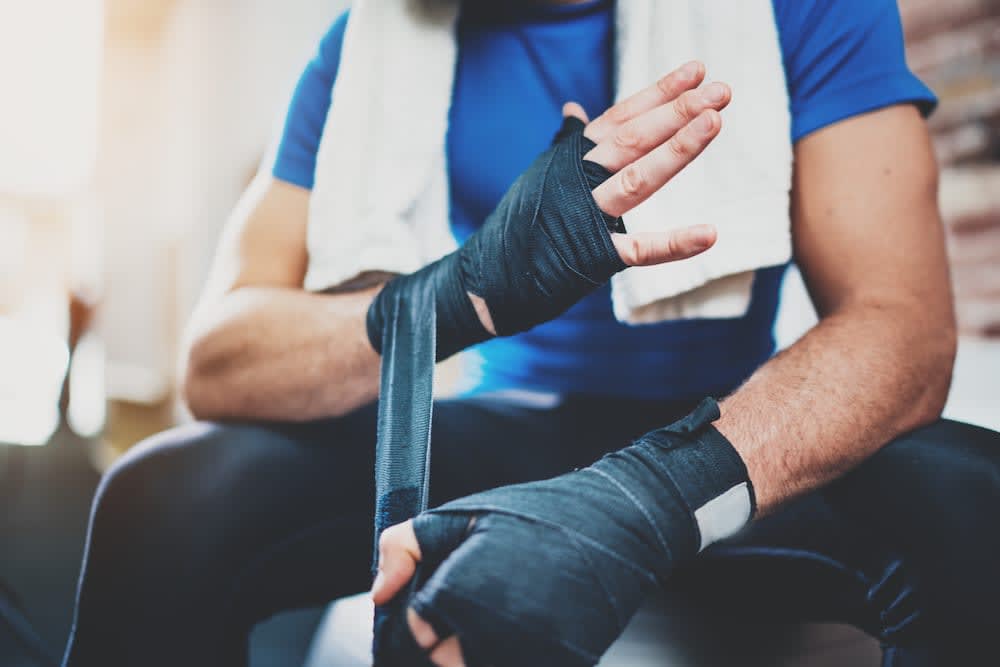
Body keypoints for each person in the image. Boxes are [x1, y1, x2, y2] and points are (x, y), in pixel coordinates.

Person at [62, 1, 1000, 666]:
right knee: (167, 495)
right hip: (505, 429)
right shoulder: (365, 49)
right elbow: (220, 358)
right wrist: (460, 293)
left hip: (715, 435)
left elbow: (904, 325)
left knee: (971, 494)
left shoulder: (801, 7)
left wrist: (638, 500)